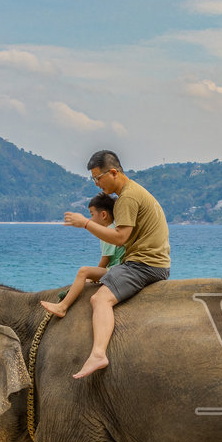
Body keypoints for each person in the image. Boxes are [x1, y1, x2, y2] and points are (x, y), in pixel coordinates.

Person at [42, 150, 170, 378]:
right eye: (94, 179)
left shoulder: (127, 199)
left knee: (99, 299)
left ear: (113, 172)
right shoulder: (134, 193)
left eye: (98, 178)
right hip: (148, 261)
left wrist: (85, 224)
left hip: (144, 265)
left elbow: (120, 237)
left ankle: (99, 353)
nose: (97, 184)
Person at [39, 191, 123, 321]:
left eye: (92, 214)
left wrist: (93, 276)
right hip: (119, 269)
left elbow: (105, 259)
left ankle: (63, 306)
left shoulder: (108, 232)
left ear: (104, 215)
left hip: (115, 271)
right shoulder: (116, 227)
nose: (90, 219)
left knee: (84, 271)